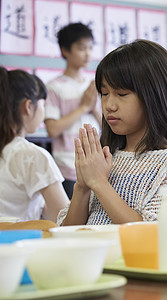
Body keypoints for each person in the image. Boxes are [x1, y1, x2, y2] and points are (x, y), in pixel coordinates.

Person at [57, 40, 167, 225]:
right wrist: (82, 186)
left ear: (155, 96)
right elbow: (68, 232)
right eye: (104, 93)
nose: (109, 105)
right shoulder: (105, 157)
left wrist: (99, 183)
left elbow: (153, 233)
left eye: (122, 94)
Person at [0, 67, 69, 222]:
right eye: (43, 105)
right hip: (19, 243)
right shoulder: (32, 155)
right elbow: (65, 219)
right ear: (28, 106)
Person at [44, 22, 101, 199]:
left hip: (96, 166)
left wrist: (93, 108)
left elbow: (106, 125)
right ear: (65, 50)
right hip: (67, 168)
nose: (87, 53)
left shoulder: (94, 84)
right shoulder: (54, 87)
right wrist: (83, 107)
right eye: (81, 48)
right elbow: (52, 129)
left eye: (90, 48)